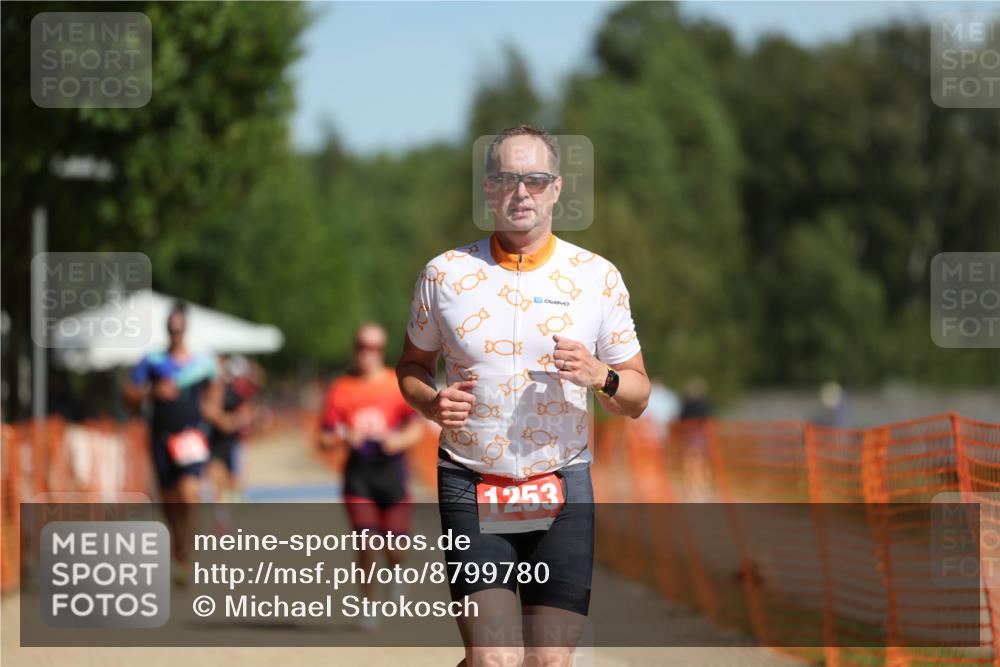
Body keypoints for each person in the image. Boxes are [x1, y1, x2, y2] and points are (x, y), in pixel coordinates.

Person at [396, 124, 650, 667]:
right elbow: (412, 368)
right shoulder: (444, 274)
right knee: (495, 659)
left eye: (535, 179)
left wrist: (601, 375)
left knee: (549, 662)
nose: (521, 192)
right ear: (488, 188)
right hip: (471, 478)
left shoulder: (597, 278)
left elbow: (637, 394)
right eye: (508, 179)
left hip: (562, 482)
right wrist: (430, 402)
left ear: (557, 188)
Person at [319, 322, 425, 628]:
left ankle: (395, 573)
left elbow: (417, 427)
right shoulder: (341, 387)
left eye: (375, 348)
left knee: (394, 548)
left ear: (382, 350)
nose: (368, 354)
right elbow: (324, 437)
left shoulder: (396, 383)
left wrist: (397, 441)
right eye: (363, 347)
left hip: (391, 473)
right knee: (367, 542)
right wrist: (343, 436)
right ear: (355, 350)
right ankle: (368, 605)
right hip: (359, 475)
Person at [124, 301, 224, 580]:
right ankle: (178, 546)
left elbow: (217, 383)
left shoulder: (202, 362)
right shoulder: (153, 360)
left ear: (186, 329)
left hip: (191, 438)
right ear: (167, 330)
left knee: (189, 495)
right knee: (169, 501)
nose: (175, 334)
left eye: (179, 329)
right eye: (171, 329)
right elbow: (129, 394)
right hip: (160, 438)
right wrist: (150, 393)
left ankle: (186, 547)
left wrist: (211, 406)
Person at [206, 355, 260, 503]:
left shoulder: (236, 393)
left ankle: (233, 510)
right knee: (217, 481)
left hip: (232, 443)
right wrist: (221, 420)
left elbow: (246, 414)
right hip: (215, 442)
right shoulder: (210, 391)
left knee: (234, 481)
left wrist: (232, 422)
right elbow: (209, 411)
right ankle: (221, 519)